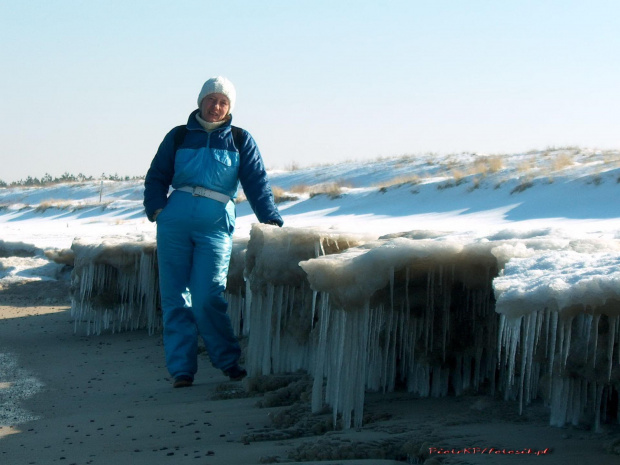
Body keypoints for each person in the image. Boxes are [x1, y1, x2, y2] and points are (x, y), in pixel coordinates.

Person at [143, 76, 283, 388]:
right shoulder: (179, 136)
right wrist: (157, 210)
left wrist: (271, 221)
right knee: (175, 297)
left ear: (229, 107)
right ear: (200, 101)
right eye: (211, 100)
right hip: (174, 222)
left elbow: (257, 183)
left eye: (223, 102)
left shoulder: (239, 139)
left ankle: (228, 361)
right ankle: (181, 370)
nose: (215, 106)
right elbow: (156, 176)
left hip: (216, 224)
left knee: (207, 296)